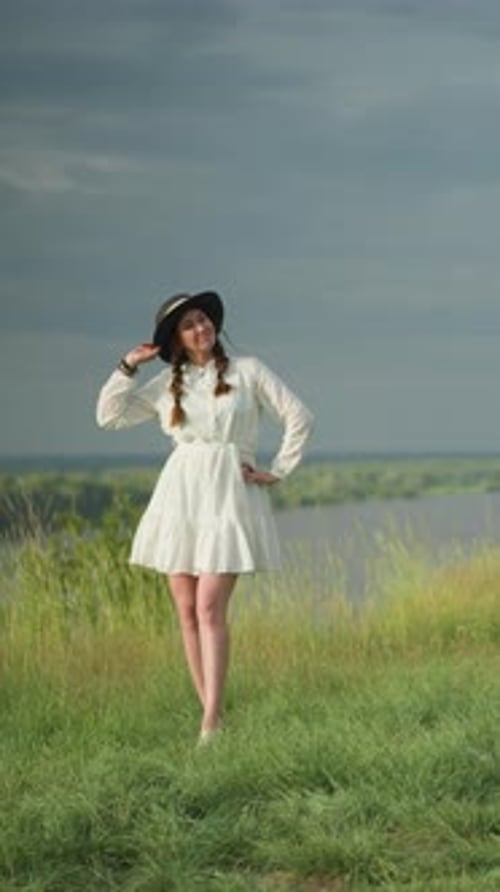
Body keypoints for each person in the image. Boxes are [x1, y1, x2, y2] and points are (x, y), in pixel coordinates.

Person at [96, 290, 314, 744]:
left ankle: (211, 721)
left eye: (203, 320)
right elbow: (108, 416)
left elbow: (299, 416)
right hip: (181, 495)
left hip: (229, 495)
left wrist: (278, 470)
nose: (201, 328)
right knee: (186, 611)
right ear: (177, 339)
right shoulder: (165, 386)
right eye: (189, 324)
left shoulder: (248, 371)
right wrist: (128, 365)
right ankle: (213, 718)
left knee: (209, 606)